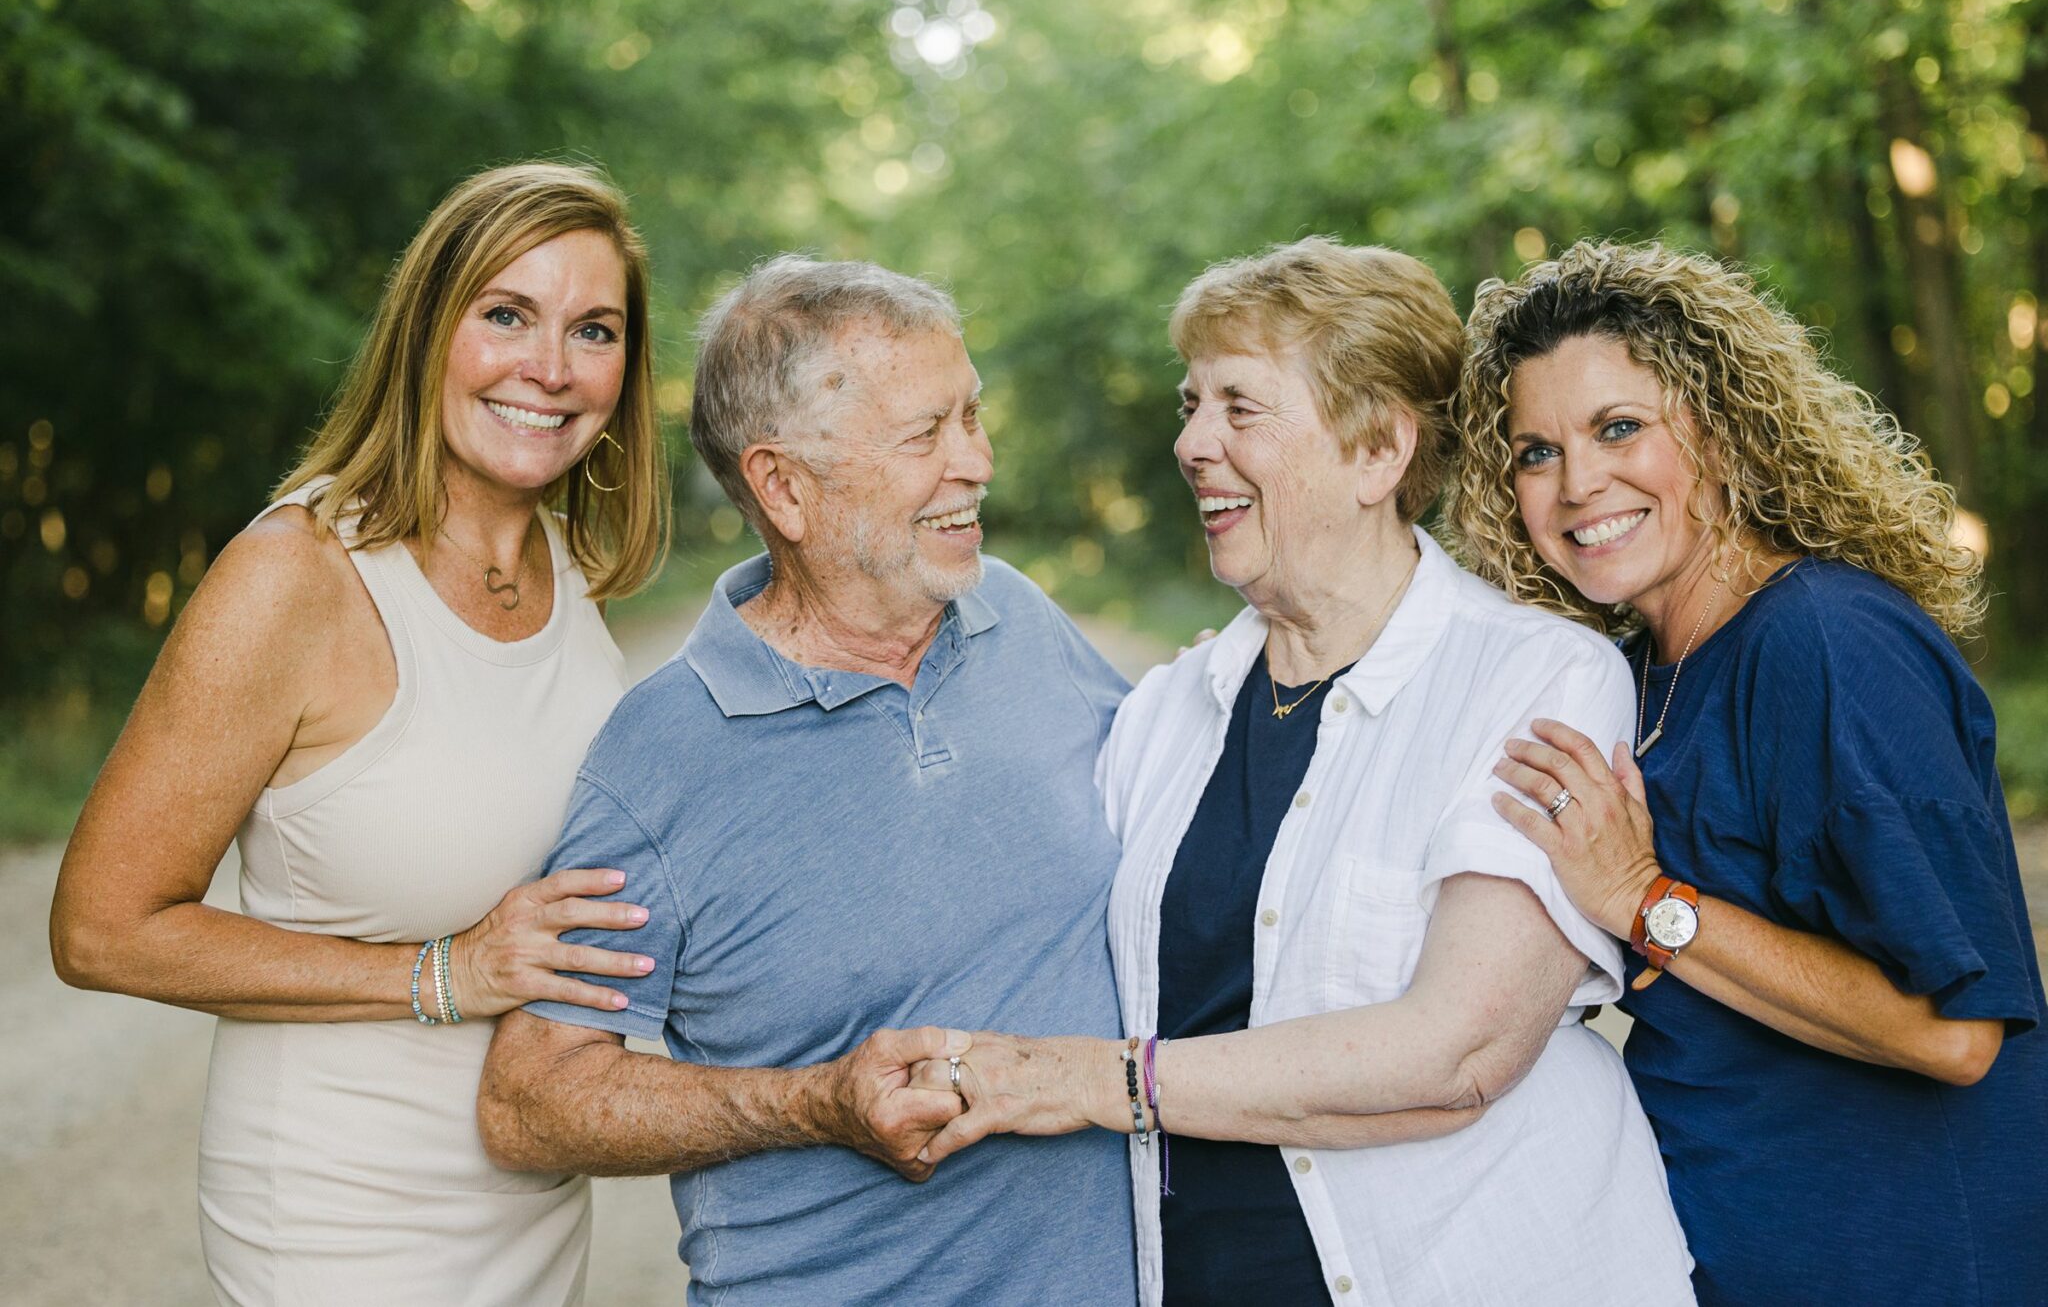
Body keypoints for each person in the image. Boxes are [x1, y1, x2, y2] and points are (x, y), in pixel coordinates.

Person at [902, 237, 1692, 1307]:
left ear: (1375, 451)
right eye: (1190, 404)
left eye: (1238, 407)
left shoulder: (1534, 680)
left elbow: (1458, 1051)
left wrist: (1096, 1081)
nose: (1189, 441)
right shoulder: (1160, 717)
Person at [49, 161, 670, 1306]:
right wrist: (447, 974)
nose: (550, 367)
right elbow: (101, 929)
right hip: (345, 1217)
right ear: (427, 330)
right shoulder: (295, 577)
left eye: (593, 329)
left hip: (527, 1200)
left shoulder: (567, 574)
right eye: (505, 314)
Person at [476, 256, 1139, 1305]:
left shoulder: (1021, 620)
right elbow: (529, 1102)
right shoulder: (662, 759)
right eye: (925, 434)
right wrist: (813, 1103)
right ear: (783, 486)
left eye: (971, 416)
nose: (977, 460)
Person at [1447, 238, 2048, 1305]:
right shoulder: (1634, 672)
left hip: (1899, 1269)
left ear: (1721, 434)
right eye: (1534, 451)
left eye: (1618, 428)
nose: (1578, 483)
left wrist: (1644, 902)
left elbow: (1953, 1032)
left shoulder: (1826, 644)